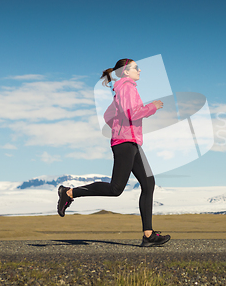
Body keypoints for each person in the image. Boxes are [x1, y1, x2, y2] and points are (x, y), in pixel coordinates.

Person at [57, 58, 170, 247]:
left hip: (130, 141)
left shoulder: (124, 88)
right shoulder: (126, 87)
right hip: (125, 142)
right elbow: (132, 114)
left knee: (148, 183)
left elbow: (109, 115)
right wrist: (152, 107)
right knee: (115, 189)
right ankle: (69, 193)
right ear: (126, 71)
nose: (140, 70)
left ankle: (148, 235)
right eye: (136, 68)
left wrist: (119, 127)